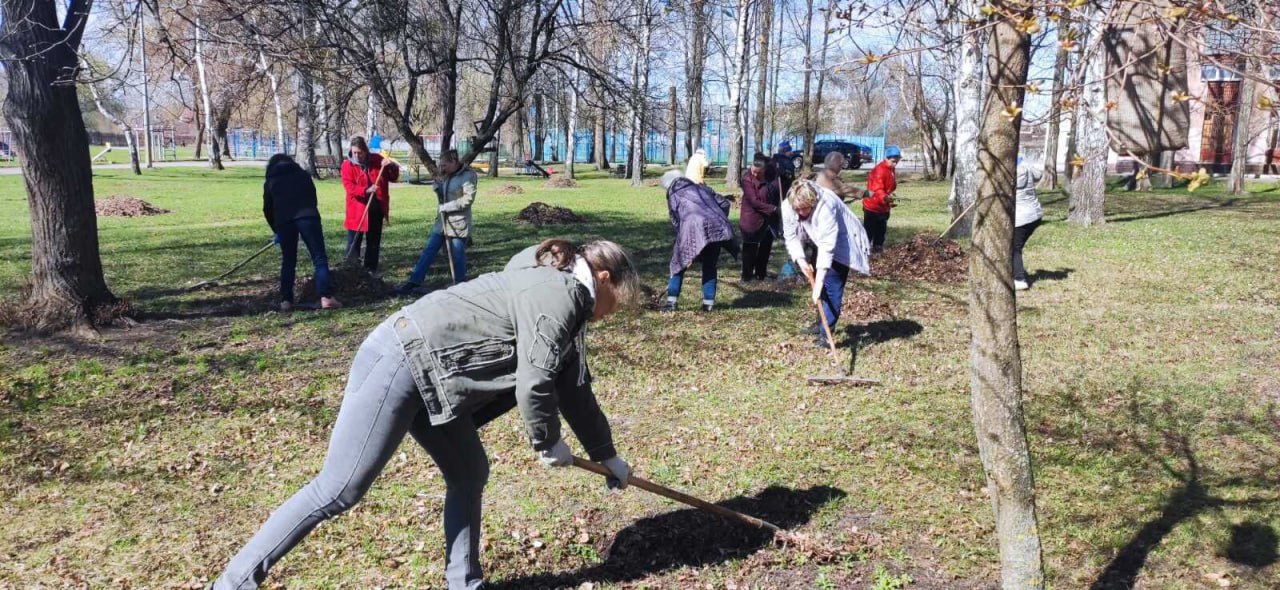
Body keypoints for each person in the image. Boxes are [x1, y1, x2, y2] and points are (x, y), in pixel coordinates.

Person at [210, 237, 639, 590]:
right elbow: (535, 381)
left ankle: (465, 584)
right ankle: (232, 584)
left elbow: (573, 386)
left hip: (438, 377)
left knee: (469, 472)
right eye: (617, 300)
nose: (613, 312)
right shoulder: (558, 294)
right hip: (402, 360)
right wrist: (547, 442)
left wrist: (607, 455)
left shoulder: (566, 298)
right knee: (339, 488)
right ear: (603, 278)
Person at [782, 180, 871, 348]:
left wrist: (819, 283)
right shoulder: (788, 206)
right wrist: (801, 261)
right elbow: (791, 236)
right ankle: (820, 323)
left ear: (813, 202)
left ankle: (826, 333)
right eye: (797, 208)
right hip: (816, 237)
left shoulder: (826, 207)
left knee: (831, 284)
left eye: (804, 208)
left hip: (841, 240)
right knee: (820, 285)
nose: (800, 212)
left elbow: (827, 248)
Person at [263, 154, 341, 312]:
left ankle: (286, 300)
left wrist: (276, 229)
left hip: (284, 222)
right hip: (308, 217)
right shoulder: (303, 175)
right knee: (319, 257)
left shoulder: (271, 180)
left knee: (288, 261)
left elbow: (267, 209)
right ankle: (326, 297)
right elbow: (313, 197)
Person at [398, 150, 476, 294]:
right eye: (441, 165)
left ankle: (459, 285)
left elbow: (468, 200)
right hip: (442, 223)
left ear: (454, 161)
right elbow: (444, 195)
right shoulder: (446, 175)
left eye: (445, 165)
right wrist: (438, 189)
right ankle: (413, 281)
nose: (442, 168)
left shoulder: (468, 175)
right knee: (429, 250)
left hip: (458, 223)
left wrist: (447, 207)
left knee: (457, 254)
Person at [660, 170, 739, 312]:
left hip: (692, 229)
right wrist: (714, 218)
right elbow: (724, 204)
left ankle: (671, 302)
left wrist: (681, 243)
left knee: (678, 264)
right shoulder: (702, 187)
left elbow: (676, 221)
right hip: (716, 229)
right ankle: (708, 304)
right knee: (710, 265)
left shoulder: (673, 194)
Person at [341, 136, 400, 274]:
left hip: (376, 209)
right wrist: (366, 190)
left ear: (365, 151)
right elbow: (349, 187)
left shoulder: (377, 160)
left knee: (373, 243)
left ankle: (370, 271)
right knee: (354, 242)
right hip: (357, 211)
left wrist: (391, 165)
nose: (357, 155)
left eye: (359, 152)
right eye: (354, 152)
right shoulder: (347, 165)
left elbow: (392, 177)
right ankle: (351, 271)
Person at [739, 154, 781, 281]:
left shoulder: (772, 176)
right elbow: (753, 201)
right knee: (750, 249)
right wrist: (773, 209)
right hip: (751, 220)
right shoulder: (747, 179)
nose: (755, 174)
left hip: (768, 221)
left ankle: (760, 274)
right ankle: (746, 277)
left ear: (765, 170)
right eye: (753, 171)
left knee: (765, 248)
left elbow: (776, 190)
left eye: (759, 172)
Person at [862, 145, 901, 254]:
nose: (895, 164)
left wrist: (890, 196)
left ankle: (877, 248)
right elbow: (877, 189)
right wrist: (885, 198)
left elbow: (889, 186)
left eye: (897, 162)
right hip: (872, 206)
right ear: (886, 158)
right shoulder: (879, 171)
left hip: (883, 207)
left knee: (881, 230)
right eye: (893, 161)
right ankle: (864, 251)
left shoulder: (891, 169)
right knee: (869, 230)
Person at [1014, 156, 1044, 291]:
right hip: (1035, 214)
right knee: (1014, 246)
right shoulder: (1027, 166)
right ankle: (1014, 272)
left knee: (1014, 248)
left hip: (1022, 217)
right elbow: (1038, 174)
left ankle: (1019, 279)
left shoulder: (1008, 172)